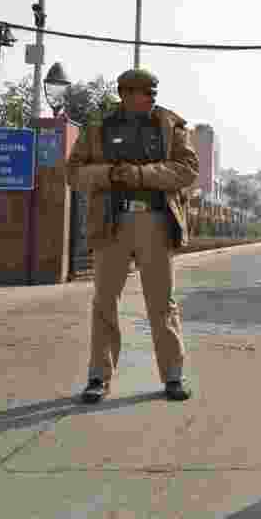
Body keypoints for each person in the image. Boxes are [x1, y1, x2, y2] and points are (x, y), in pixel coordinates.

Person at [66, 68, 199, 404]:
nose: (152, 94)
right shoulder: (99, 128)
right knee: (104, 303)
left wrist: (140, 174)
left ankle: (173, 377)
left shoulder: (171, 126)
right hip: (112, 223)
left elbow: (187, 170)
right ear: (124, 93)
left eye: (154, 89)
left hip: (155, 222)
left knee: (162, 305)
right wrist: (109, 174)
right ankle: (98, 377)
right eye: (144, 90)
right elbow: (74, 172)